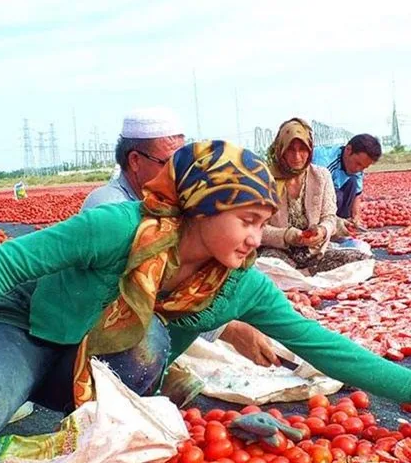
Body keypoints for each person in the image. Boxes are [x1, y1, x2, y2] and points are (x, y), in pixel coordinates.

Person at [0, 141, 411, 463]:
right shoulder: (118, 227)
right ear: (203, 208)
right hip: (29, 326)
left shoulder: (241, 286)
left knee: (150, 342)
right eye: (248, 221)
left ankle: (50, 409)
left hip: (94, 358)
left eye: (264, 224)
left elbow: (321, 345)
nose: (258, 238)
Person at [81, 108, 275, 366]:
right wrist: (227, 329)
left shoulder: (167, 204)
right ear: (136, 161)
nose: (183, 169)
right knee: (156, 343)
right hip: (100, 326)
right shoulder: (110, 207)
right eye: (170, 162)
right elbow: (145, 293)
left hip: (147, 320)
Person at [259, 118, 370, 274]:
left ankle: (303, 273)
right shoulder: (265, 179)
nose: (297, 156)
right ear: (280, 149)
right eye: (290, 149)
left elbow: (329, 217)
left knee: (362, 260)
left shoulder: (321, 176)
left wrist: (323, 231)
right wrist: (287, 235)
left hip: (313, 252)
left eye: (302, 149)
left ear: (310, 149)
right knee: (267, 266)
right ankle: (303, 274)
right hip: (278, 251)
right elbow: (255, 229)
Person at [312, 134, 382, 231]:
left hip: (329, 196)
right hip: (312, 197)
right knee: (338, 195)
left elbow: (357, 192)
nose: (359, 169)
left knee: (352, 181)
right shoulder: (324, 162)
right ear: (348, 150)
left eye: (363, 167)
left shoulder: (357, 168)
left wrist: (356, 216)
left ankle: (343, 223)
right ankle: (328, 226)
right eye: (358, 163)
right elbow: (315, 196)